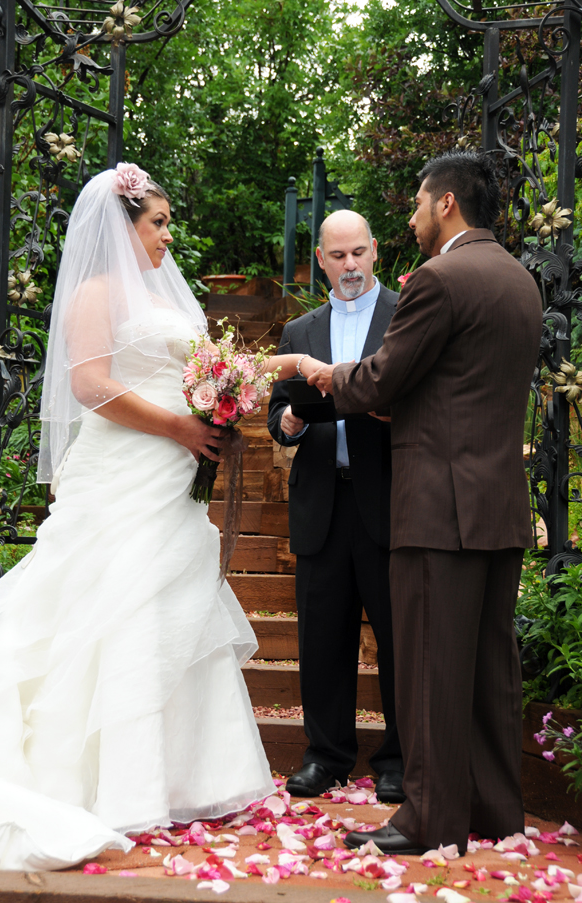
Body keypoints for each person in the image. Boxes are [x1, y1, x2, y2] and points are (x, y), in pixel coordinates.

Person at [0, 164, 327, 870]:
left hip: (173, 482)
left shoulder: (164, 296)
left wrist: (278, 366)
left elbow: (210, 369)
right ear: (123, 225)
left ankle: (179, 779)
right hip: (125, 474)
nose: (169, 236)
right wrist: (179, 428)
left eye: (168, 223)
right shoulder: (96, 291)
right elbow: (90, 385)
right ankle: (102, 780)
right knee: (113, 608)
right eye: (158, 223)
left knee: (166, 615)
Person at [308, 151, 543, 854]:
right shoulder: (520, 279)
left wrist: (320, 373)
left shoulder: (439, 278)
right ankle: (496, 809)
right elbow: (460, 385)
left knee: (431, 668)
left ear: (446, 203)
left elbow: (382, 380)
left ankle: (428, 817)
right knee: (488, 672)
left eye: (416, 205)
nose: (411, 218)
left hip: (438, 507)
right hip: (497, 505)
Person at [267, 210, 403, 801]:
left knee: (400, 635)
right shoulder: (299, 333)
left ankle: (399, 759)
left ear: (375, 251)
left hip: (391, 499)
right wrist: (290, 421)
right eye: (338, 256)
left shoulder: (406, 315)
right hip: (321, 501)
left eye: (358, 254)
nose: (350, 266)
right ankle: (326, 756)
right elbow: (275, 414)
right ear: (320, 259)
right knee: (322, 638)